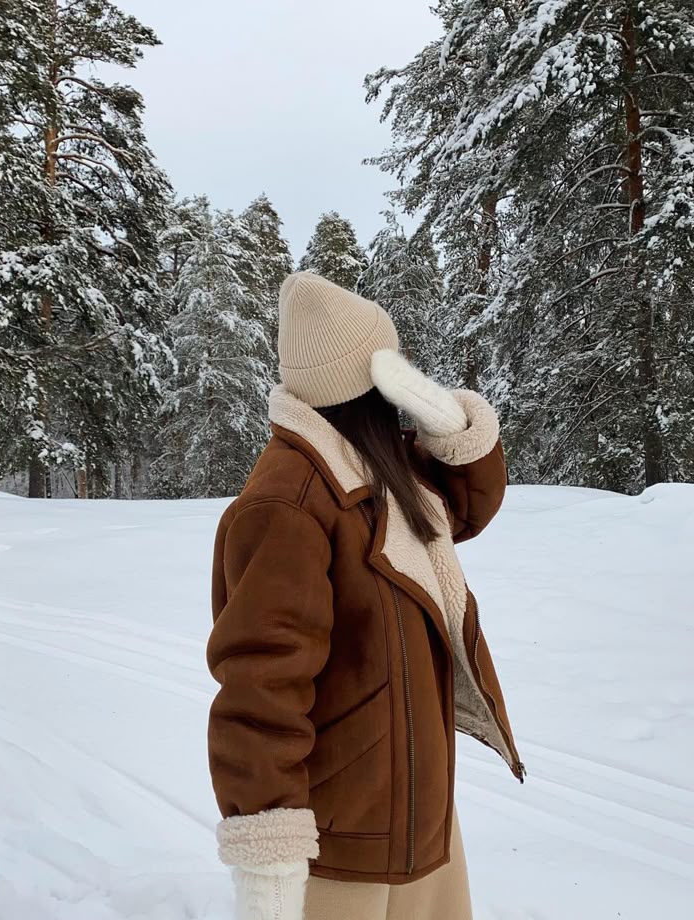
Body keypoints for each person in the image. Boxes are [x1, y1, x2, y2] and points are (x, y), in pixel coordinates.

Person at [207, 271, 525, 920]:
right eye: (391, 369)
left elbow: (467, 508)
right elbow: (261, 689)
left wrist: (447, 420)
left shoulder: (377, 470)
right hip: (345, 843)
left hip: (419, 818)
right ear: (369, 386)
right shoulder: (289, 503)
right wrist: (269, 859)